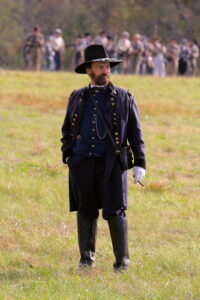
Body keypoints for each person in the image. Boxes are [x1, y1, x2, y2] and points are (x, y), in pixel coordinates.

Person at [60, 44, 146, 271]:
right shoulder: (77, 96)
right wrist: (69, 155)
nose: (106, 71)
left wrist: (140, 163)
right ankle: (86, 261)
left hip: (112, 163)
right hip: (82, 162)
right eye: (101, 67)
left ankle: (122, 263)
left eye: (108, 66)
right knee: (85, 211)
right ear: (89, 70)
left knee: (116, 210)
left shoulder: (124, 97)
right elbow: (67, 129)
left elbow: (136, 133)